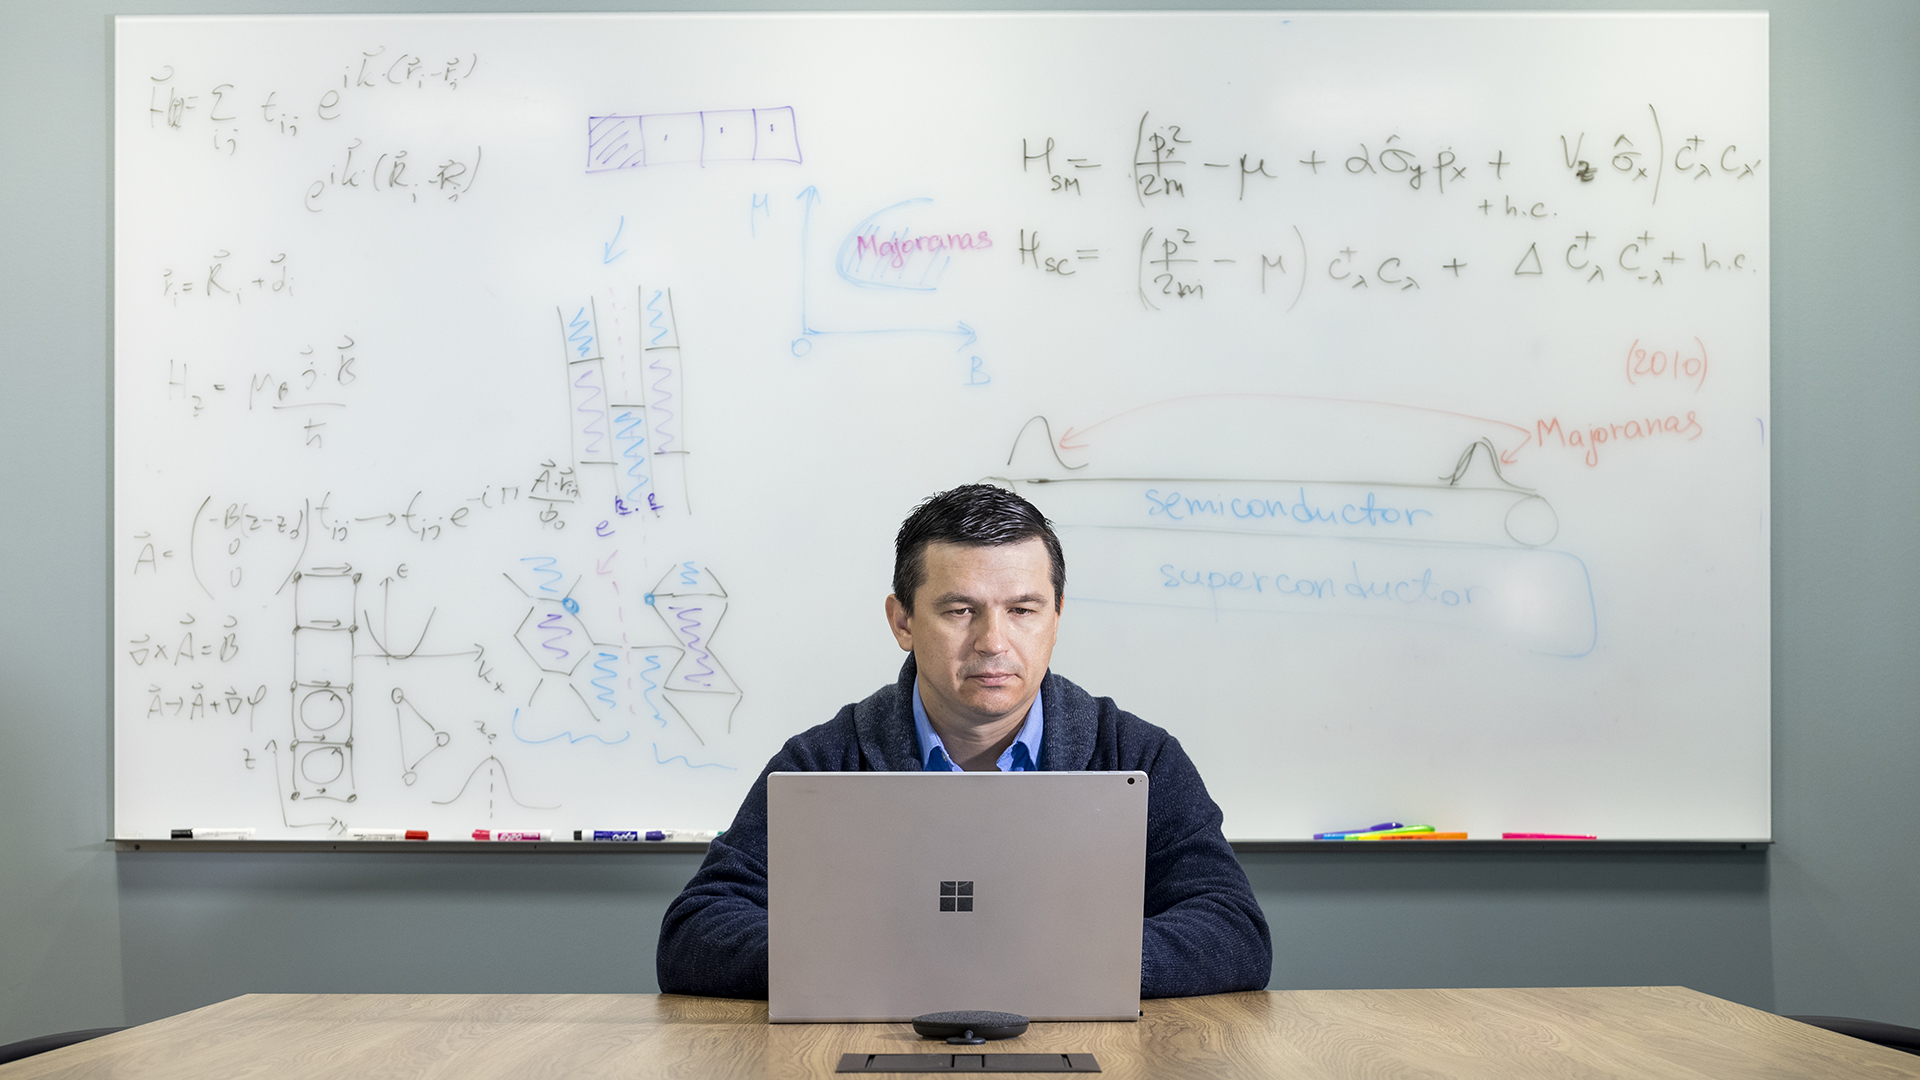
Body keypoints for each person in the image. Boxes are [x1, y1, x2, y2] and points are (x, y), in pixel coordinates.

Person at [656, 484, 1272, 998]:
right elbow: (694, 933)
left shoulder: (1140, 757)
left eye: (1023, 610)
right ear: (902, 621)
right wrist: (866, 960)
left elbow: (1233, 931)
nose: (993, 642)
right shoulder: (822, 762)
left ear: (1058, 618)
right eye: (959, 610)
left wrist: (1065, 964)